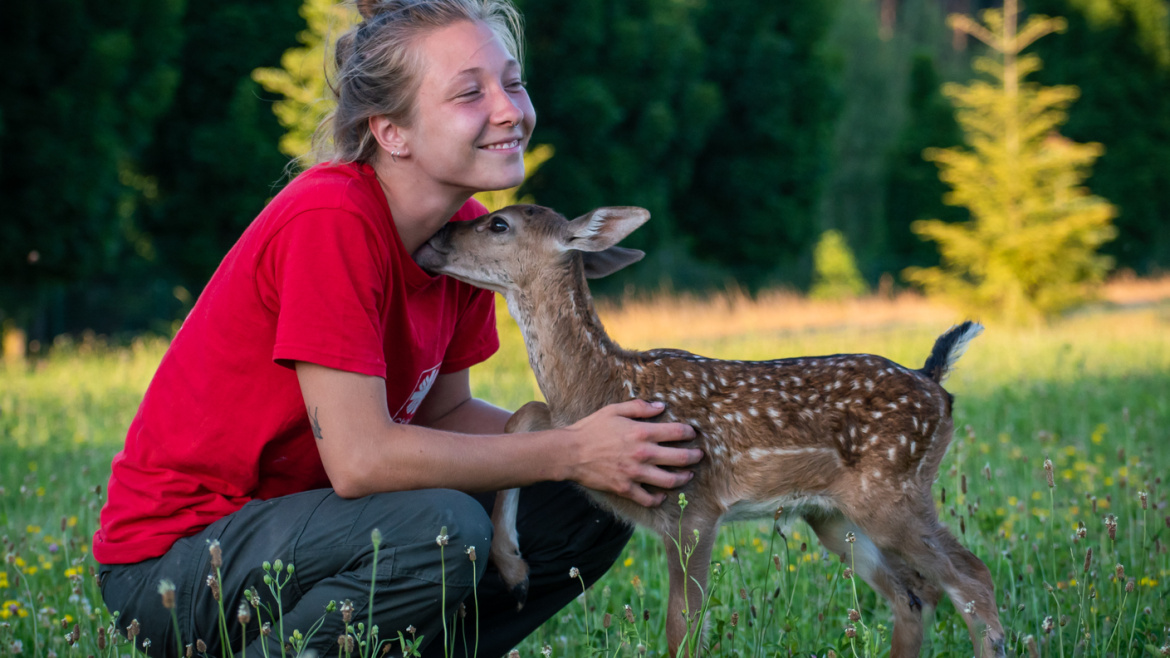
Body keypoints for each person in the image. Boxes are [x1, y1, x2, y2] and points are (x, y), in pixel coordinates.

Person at [93, 1, 702, 656]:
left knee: (592, 498)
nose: (508, 110)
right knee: (442, 527)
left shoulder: (464, 239)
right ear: (392, 133)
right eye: (470, 92)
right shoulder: (330, 219)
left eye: (513, 82)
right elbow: (361, 461)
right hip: (176, 567)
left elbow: (443, 414)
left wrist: (607, 441)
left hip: (320, 537)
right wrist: (571, 449)